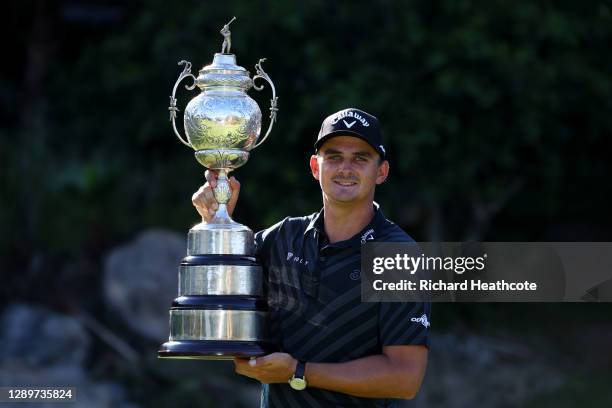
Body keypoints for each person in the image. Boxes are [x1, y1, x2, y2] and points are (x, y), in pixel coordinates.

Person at [192, 108, 430, 407]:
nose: (345, 168)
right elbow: (221, 300)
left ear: (381, 172)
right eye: (333, 156)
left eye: (360, 158)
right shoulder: (281, 239)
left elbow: (405, 378)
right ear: (315, 167)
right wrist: (217, 221)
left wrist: (299, 371)